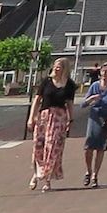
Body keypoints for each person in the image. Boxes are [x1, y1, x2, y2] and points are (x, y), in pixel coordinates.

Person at [28, 56, 78, 191]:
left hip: (58, 118)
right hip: (44, 117)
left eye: (59, 66)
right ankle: (36, 174)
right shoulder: (47, 82)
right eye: (55, 66)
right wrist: (31, 117)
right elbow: (37, 100)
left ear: (64, 69)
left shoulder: (69, 85)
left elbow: (69, 104)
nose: (56, 68)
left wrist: (70, 119)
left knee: (52, 148)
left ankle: (47, 180)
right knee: (38, 147)